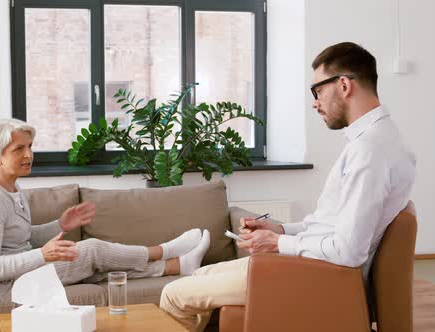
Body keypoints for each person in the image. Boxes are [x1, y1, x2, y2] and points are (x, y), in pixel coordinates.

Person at [159, 41, 416, 331]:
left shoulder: (371, 151)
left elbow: (347, 250)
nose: (314, 102)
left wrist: (277, 244)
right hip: (316, 267)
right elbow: (330, 226)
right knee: (199, 277)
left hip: (320, 276)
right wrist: (280, 231)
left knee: (173, 294)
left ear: (344, 85)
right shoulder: (374, 141)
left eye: (317, 90)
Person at [0, 118, 211, 294]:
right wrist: (42, 255)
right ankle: (165, 250)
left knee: (97, 266)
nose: (29, 155)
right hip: (11, 284)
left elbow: (18, 239)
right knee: (91, 250)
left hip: (24, 273)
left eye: (30, 146)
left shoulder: (11, 185)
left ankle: (179, 266)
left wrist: (60, 225)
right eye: (18, 149)